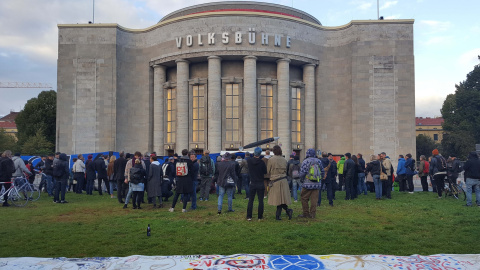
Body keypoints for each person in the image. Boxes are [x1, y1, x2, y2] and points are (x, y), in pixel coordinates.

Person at [266, 145, 293, 220]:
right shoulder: (284, 160)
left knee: (278, 199)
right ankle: (285, 212)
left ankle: (281, 214)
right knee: (281, 198)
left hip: (275, 180)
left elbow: (268, 171)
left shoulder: (271, 160)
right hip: (283, 180)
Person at [298, 148, 324, 219]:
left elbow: (302, 173)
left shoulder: (305, 161)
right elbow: (322, 172)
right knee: (314, 200)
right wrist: (319, 179)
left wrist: (301, 180)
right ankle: (313, 214)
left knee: (304, 198)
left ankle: (306, 213)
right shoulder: (319, 161)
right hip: (317, 184)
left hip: (307, 184)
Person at [246, 147, 267, 221]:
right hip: (260, 182)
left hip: (252, 182)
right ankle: (260, 217)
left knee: (251, 200)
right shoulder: (262, 162)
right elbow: (265, 171)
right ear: (260, 153)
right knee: (260, 200)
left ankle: (249, 216)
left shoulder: (249, 161)